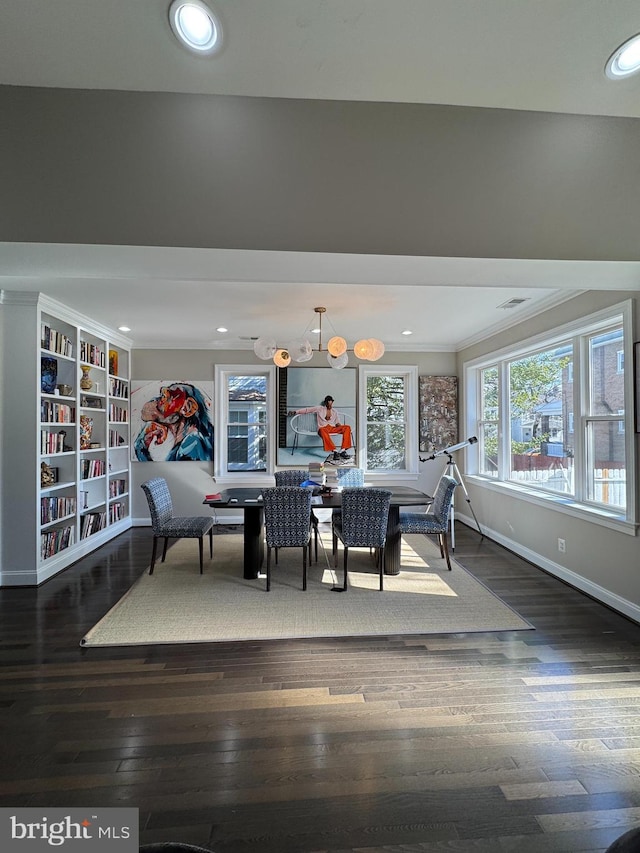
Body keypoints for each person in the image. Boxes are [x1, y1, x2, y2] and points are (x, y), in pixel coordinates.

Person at [134, 382, 213, 462]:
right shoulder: (191, 440)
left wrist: (140, 447)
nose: (156, 400)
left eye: (165, 397)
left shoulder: (192, 444)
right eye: (162, 396)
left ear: (187, 408)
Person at [288, 395, 353, 463]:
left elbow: (337, 422)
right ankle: (335, 451)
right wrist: (295, 412)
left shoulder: (334, 411)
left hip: (332, 428)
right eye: (328, 404)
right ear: (325, 403)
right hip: (323, 428)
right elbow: (307, 410)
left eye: (331, 404)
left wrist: (340, 427)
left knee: (347, 427)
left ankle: (343, 450)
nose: (330, 406)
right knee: (322, 430)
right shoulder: (319, 409)